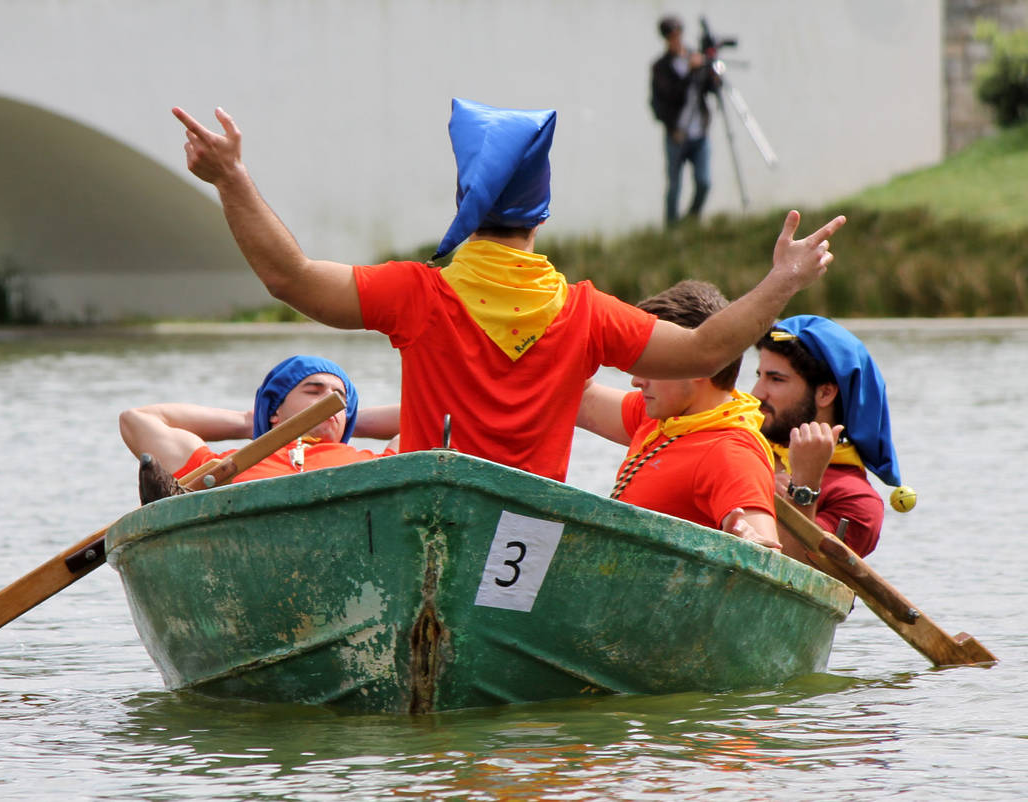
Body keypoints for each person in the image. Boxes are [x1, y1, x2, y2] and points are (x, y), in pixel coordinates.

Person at [172, 97, 845, 483]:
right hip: (524, 544)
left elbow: (287, 276)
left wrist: (231, 178)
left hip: (422, 516)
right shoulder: (588, 316)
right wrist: (781, 280)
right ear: (542, 214)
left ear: (463, 204)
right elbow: (705, 351)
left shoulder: (413, 293)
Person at [577, 281, 779, 550]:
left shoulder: (731, 453)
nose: (636, 380)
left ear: (697, 364)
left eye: (651, 365)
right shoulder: (660, 417)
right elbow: (580, 398)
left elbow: (767, 553)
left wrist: (748, 543)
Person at [120, 355, 397, 503]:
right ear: (275, 410)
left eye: (340, 398)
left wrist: (346, 419)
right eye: (314, 392)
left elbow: (436, 414)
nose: (330, 401)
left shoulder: (384, 465)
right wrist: (247, 422)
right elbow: (137, 419)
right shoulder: (220, 468)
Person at [752, 316, 906, 558]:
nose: (757, 393)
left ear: (825, 393)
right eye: (759, 376)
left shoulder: (856, 501)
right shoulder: (744, 450)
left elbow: (793, 571)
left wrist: (804, 486)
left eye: (776, 379)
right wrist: (759, 483)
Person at [650, 15, 720, 226]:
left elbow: (711, 89)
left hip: (699, 132)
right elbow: (668, 98)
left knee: (704, 182)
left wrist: (711, 69)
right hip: (677, 135)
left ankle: (692, 219)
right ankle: (671, 228)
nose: (676, 39)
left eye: (678, 34)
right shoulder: (661, 67)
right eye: (671, 36)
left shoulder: (695, 57)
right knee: (674, 186)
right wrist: (690, 71)